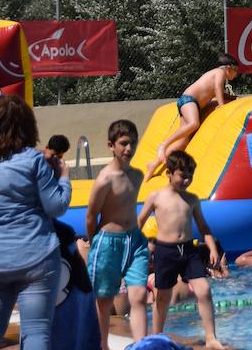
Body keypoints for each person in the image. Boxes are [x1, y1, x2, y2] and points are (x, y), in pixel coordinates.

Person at [0, 94, 72, 350]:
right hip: (35, 256)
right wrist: (63, 176)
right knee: (36, 333)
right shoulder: (32, 161)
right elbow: (57, 207)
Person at [137, 151, 227, 350]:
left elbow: (203, 227)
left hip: (188, 250)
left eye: (190, 176)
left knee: (204, 289)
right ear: (169, 173)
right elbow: (139, 222)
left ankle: (211, 338)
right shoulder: (156, 197)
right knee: (162, 296)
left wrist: (212, 248)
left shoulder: (192, 199)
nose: (186, 180)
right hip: (165, 250)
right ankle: (156, 335)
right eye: (182, 175)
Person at [85, 119, 149, 350]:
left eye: (133, 143)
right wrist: (95, 244)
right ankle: (102, 345)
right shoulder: (105, 179)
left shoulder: (137, 175)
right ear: (111, 145)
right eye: (123, 143)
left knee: (139, 295)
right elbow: (91, 216)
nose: (129, 148)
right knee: (103, 300)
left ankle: (142, 344)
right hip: (107, 242)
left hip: (135, 241)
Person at [146, 53, 239, 182]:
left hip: (190, 103)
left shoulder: (216, 74)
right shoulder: (220, 72)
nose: (236, 74)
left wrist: (233, 98)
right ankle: (164, 144)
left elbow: (220, 92)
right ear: (229, 67)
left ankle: (154, 165)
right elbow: (218, 87)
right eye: (236, 71)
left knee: (182, 142)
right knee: (194, 123)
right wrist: (222, 105)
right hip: (189, 100)